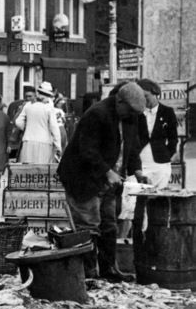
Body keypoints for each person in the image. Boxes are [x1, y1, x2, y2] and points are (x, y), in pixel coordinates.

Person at [57, 81, 148, 282]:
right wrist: (107, 171)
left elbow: (131, 148)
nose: (133, 116)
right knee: (88, 225)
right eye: (130, 111)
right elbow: (87, 149)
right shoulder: (97, 114)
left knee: (109, 226)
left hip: (108, 182)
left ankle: (109, 270)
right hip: (83, 178)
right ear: (119, 101)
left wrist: (138, 171)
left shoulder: (130, 118)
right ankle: (88, 274)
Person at [137, 78, 178, 188]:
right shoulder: (137, 113)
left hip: (161, 163)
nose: (144, 100)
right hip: (140, 163)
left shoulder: (167, 112)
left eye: (146, 96)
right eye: (141, 98)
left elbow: (173, 137)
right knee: (137, 197)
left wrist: (168, 155)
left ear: (155, 93)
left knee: (159, 197)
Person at [15, 81, 61, 164]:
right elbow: (54, 129)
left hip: (28, 141)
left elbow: (18, 122)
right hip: (45, 142)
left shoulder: (28, 105)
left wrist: (26, 127)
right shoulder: (49, 108)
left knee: (26, 170)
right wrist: (58, 146)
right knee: (42, 170)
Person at [7, 86, 36, 160]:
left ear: (35, 96)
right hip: (21, 135)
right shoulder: (19, 106)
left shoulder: (38, 106)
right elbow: (14, 121)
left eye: (30, 96)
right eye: (26, 96)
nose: (28, 98)